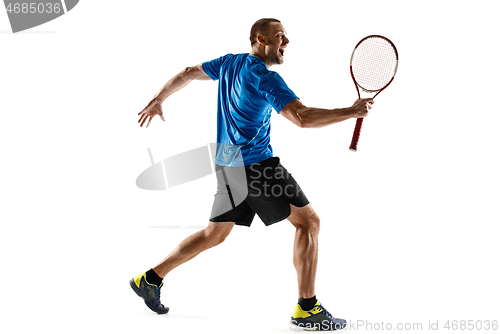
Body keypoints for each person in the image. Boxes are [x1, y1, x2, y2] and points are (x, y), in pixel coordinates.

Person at [130, 18, 373, 331]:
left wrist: (158, 98)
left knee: (214, 234)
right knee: (309, 222)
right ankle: (308, 308)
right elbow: (301, 118)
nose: (287, 42)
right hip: (255, 165)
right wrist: (350, 112)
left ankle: (149, 279)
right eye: (280, 36)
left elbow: (188, 73)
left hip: (226, 161)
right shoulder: (265, 78)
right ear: (262, 38)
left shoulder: (230, 64)